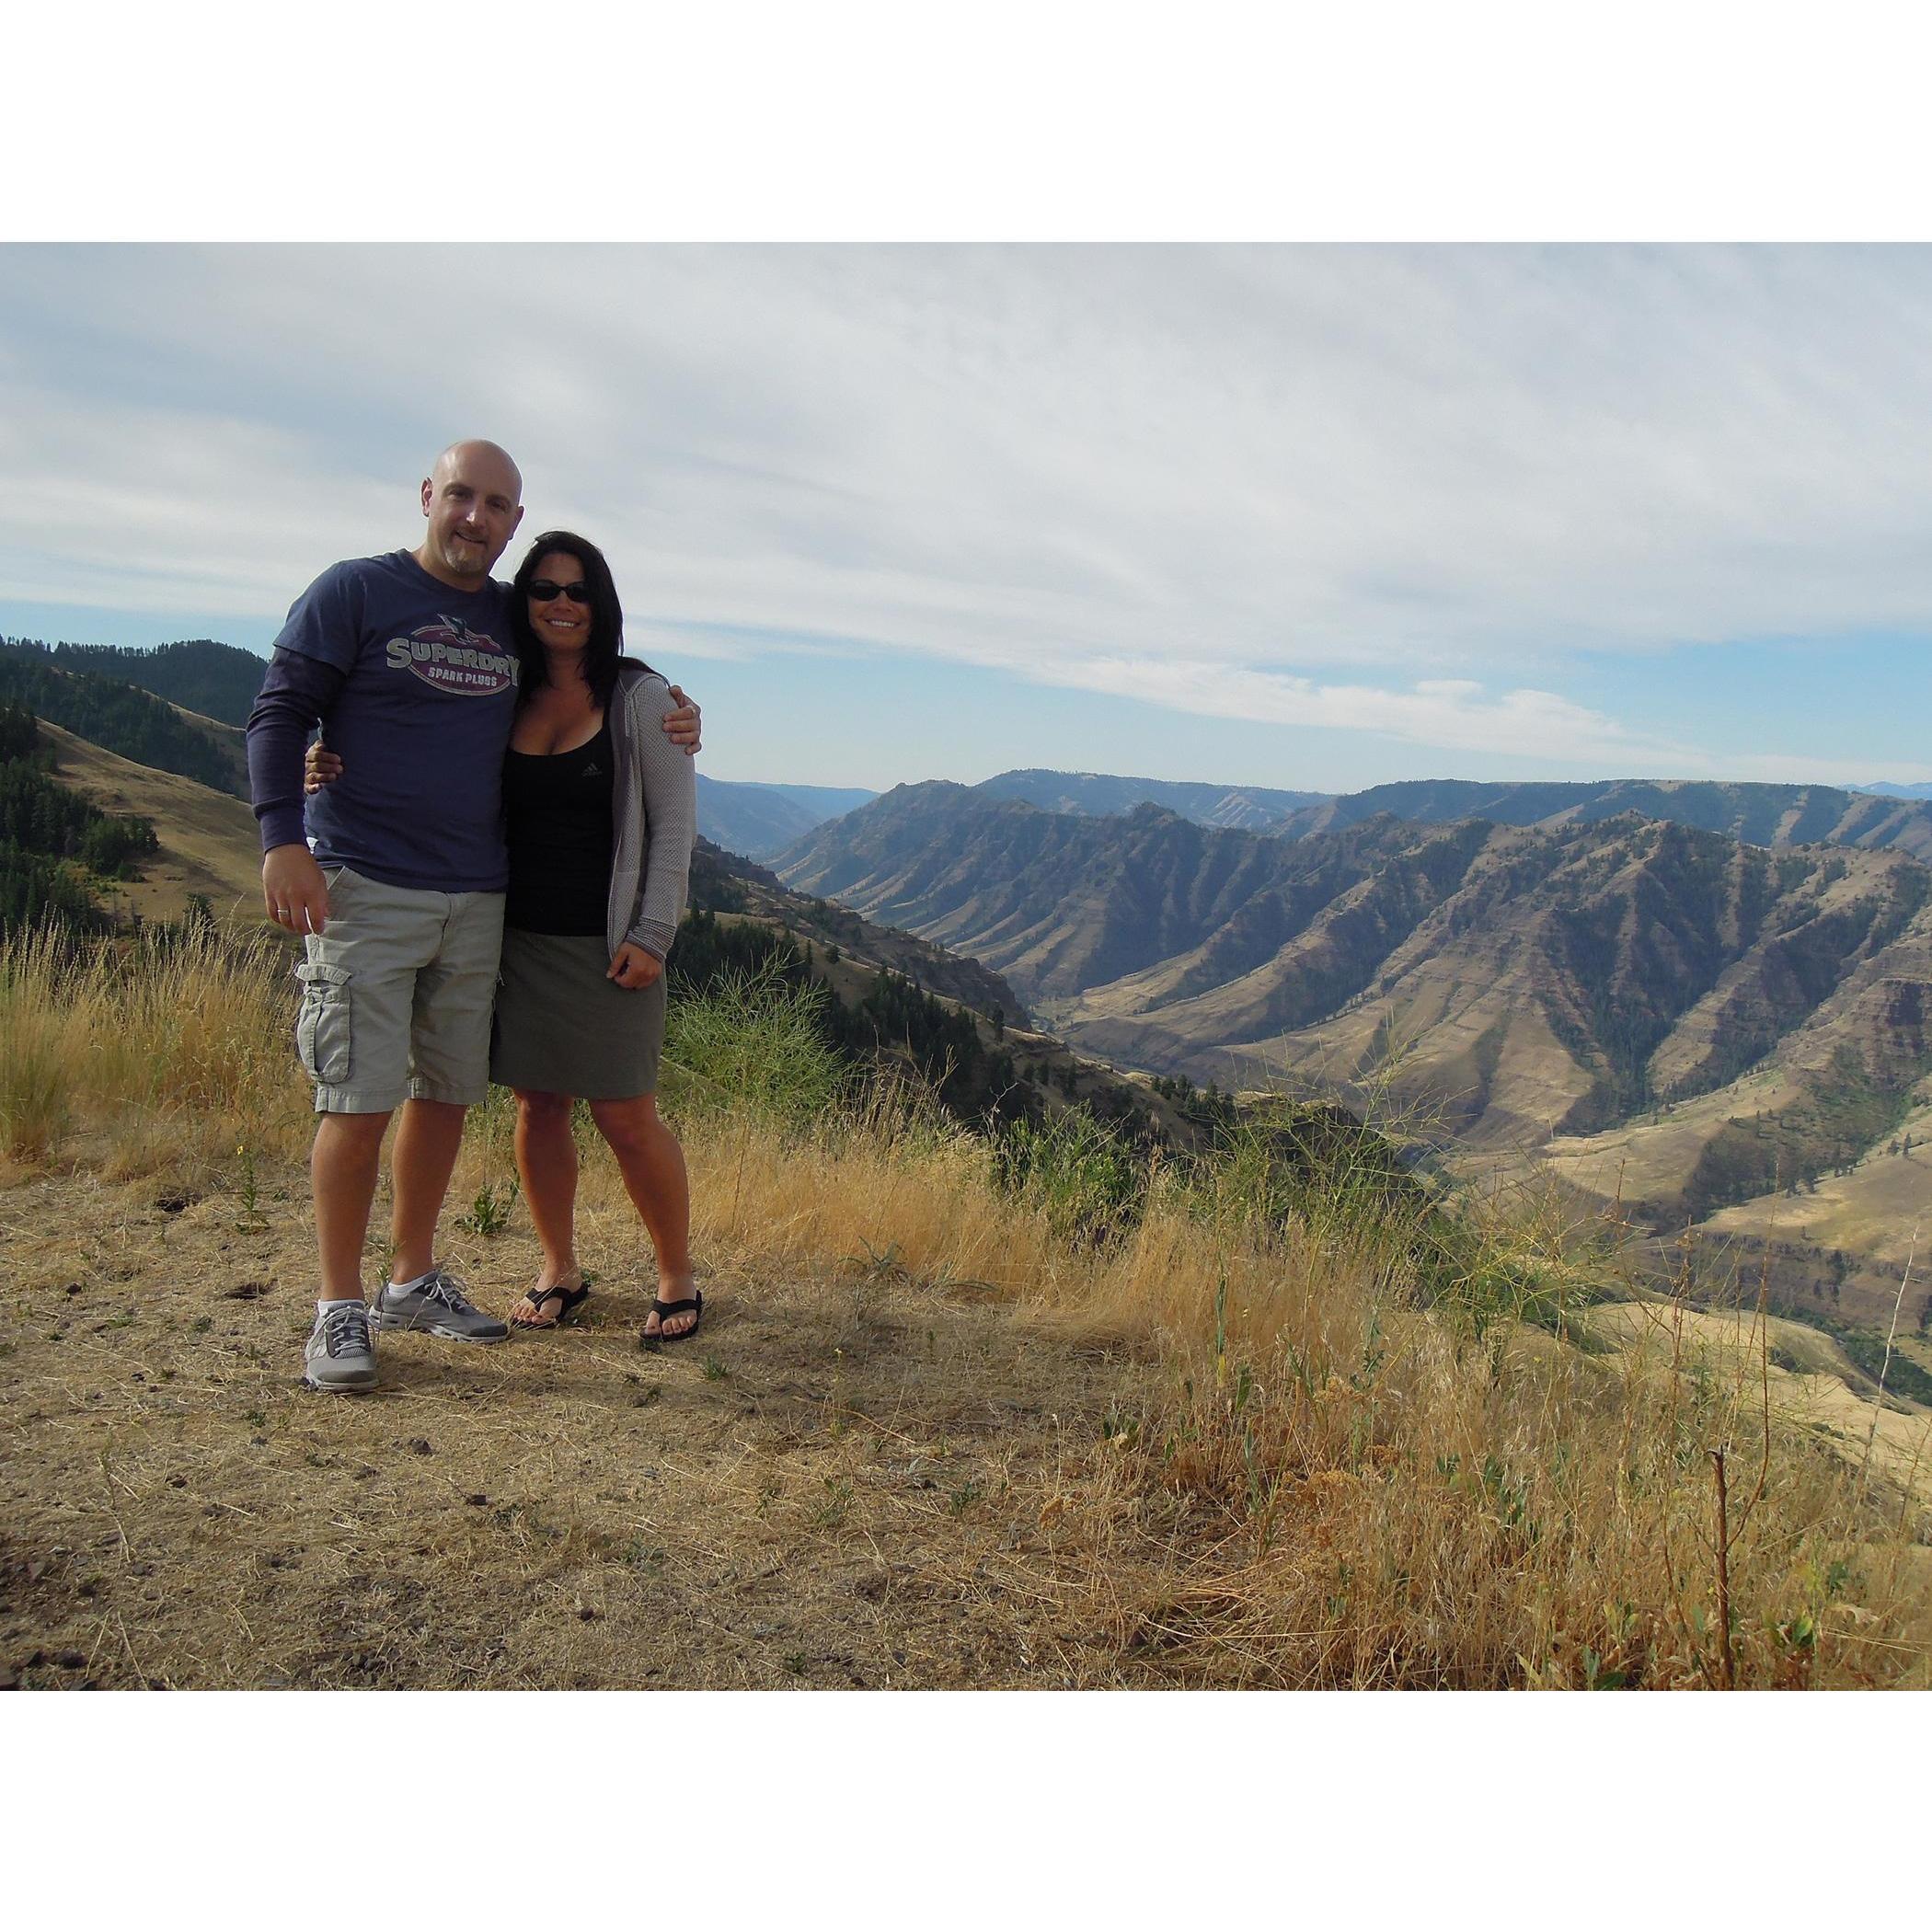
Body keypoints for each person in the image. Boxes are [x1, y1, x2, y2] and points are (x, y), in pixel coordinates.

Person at [246, 441, 700, 1394]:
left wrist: (676, 714)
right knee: (360, 1099)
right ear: (428, 495)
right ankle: (340, 1305)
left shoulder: (547, 641)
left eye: (496, 505)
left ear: (512, 522)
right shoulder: (358, 592)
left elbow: (651, 786)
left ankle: (414, 1277)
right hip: (383, 889)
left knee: (451, 1093)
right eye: (461, 495)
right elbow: (283, 709)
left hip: (489, 904)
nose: (475, 518)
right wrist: (285, 829)